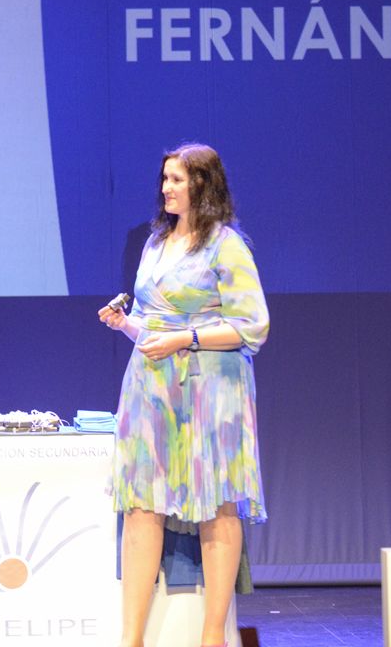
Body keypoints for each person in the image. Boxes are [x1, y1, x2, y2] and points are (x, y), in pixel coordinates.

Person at [97, 143, 269, 647]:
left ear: (202, 184)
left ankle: (212, 634)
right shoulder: (156, 242)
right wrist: (127, 324)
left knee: (216, 504)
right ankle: (131, 638)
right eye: (165, 179)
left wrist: (185, 338)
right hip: (151, 386)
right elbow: (154, 326)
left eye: (176, 179)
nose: (166, 187)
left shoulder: (226, 244)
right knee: (141, 506)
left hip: (212, 390)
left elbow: (252, 326)